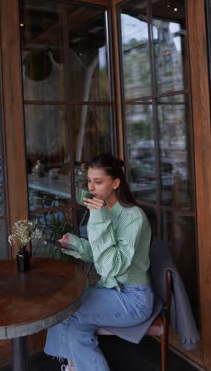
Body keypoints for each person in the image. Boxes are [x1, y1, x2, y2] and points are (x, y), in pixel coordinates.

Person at [44, 153, 154, 371]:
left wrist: (97, 217)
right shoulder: (105, 211)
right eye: (89, 181)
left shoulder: (133, 216)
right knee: (74, 326)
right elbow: (101, 255)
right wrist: (76, 245)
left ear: (115, 183)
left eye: (98, 181)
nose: (91, 188)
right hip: (112, 291)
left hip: (133, 298)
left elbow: (110, 266)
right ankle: (73, 364)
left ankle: (72, 365)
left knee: (66, 310)